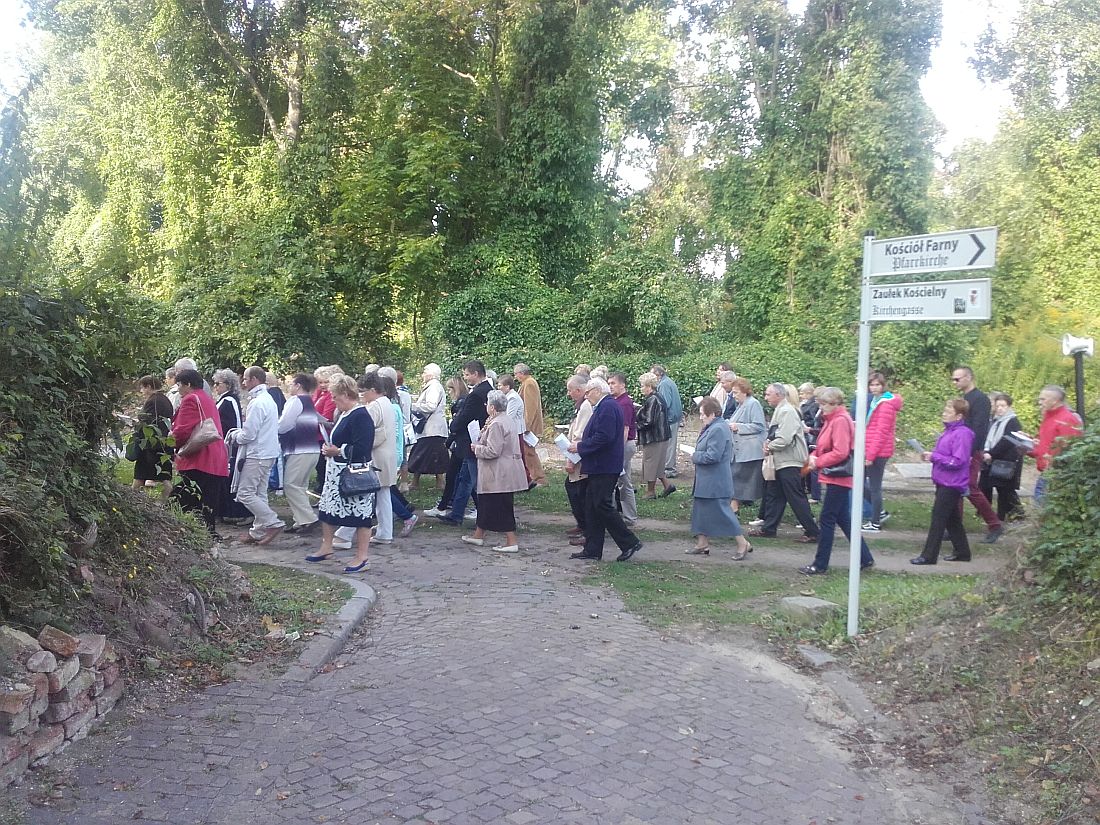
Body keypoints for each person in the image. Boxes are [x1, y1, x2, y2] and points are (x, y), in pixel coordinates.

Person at [798, 388, 874, 575]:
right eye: (820, 404)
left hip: (839, 476)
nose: (821, 408)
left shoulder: (839, 420)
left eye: (824, 404)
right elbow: (824, 444)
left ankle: (820, 564)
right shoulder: (833, 419)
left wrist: (818, 462)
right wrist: (814, 455)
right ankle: (865, 557)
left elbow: (840, 451)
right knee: (843, 519)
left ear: (835, 404)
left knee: (827, 519)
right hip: (835, 475)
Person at [568, 378, 643, 562]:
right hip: (599, 465)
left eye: (588, 392)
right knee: (592, 507)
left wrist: (581, 447)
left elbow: (604, 437)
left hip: (604, 465)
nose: (586, 396)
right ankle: (592, 549)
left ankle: (629, 542)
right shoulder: (605, 405)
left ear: (597, 390)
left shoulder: (608, 407)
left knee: (602, 505)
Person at [307, 374, 375, 574]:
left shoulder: (361, 415)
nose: (333, 400)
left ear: (346, 394)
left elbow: (363, 447)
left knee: (361, 515)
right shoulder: (345, 413)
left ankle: (362, 557)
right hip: (336, 472)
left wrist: (338, 451)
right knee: (327, 509)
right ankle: (326, 546)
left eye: (335, 397)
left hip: (354, 474)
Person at [749, 383, 819, 542]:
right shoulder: (781, 410)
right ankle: (769, 529)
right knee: (775, 495)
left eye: (768, 394)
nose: (766, 397)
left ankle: (813, 532)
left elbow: (785, 438)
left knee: (795, 496)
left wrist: (769, 446)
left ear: (779, 395)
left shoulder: (787, 411)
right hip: (782, 460)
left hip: (790, 461)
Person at [225, 366, 285, 544]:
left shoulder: (258, 402)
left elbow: (249, 435)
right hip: (268, 452)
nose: (243, 382)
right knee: (259, 493)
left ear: (254, 380)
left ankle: (273, 522)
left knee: (245, 493)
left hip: (257, 453)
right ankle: (257, 531)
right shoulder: (268, 399)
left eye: (245, 379)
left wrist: (234, 435)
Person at [462, 390, 528, 553]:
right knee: (486, 504)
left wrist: (477, 448)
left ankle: (511, 541)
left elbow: (493, 451)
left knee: (501, 506)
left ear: (492, 407)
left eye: (487, 404)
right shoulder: (505, 419)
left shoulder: (497, 424)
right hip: (499, 471)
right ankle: (478, 535)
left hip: (499, 473)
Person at [688, 397, 753, 559]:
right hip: (707, 479)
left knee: (724, 513)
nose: (700, 417)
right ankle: (702, 543)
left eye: (703, 414)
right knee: (700, 511)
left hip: (715, 480)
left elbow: (713, 456)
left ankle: (742, 543)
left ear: (712, 414)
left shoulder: (718, 429)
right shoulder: (714, 426)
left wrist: (695, 456)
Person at [912, 399, 974, 565]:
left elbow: (958, 461)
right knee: (952, 519)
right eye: (945, 410)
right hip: (943, 480)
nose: (944, 413)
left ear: (959, 416)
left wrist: (935, 457)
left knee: (938, 518)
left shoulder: (963, 434)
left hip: (952, 483)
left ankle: (929, 555)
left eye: (948, 411)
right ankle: (963, 552)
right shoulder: (949, 431)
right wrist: (931, 456)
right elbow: (946, 454)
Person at [170, 369, 228, 536]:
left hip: (200, 457)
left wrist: (170, 444)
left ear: (188, 384)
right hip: (216, 456)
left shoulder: (190, 399)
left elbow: (183, 430)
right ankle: (209, 534)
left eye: (179, 385)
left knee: (181, 498)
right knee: (208, 500)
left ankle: (179, 533)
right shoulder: (207, 398)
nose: (178, 389)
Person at [435, 360, 491, 526]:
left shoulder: (476, 394)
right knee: (465, 479)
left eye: (467, 374)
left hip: (471, 440)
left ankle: (485, 516)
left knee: (473, 481)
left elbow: (466, 416)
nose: (465, 378)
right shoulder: (487, 389)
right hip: (475, 439)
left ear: (475, 374)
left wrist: (453, 425)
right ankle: (457, 514)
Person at [951, 366, 1003, 543]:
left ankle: (994, 524)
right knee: (956, 488)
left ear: (968, 377)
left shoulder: (980, 400)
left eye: (957, 379)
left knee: (970, 488)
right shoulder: (965, 398)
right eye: (953, 379)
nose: (954, 382)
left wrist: (971, 452)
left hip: (971, 451)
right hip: (961, 449)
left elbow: (979, 429)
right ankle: (955, 527)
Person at [1023, 384, 1083, 505]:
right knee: (1040, 506)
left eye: (1043, 399)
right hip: (1047, 471)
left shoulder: (1067, 419)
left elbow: (1070, 450)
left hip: (1057, 474)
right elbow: (1043, 444)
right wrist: (1026, 443)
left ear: (1055, 401)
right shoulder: (1048, 416)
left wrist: (1054, 465)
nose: (1039, 402)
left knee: (1043, 506)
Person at [278, 373, 323, 535]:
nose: (290, 387)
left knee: (291, 484)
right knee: (300, 486)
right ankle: (300, 520)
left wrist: (272, 430)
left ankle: (309, 519)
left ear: (298, 385)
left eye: (291, 384)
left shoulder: (295, 401)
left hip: (300, 449)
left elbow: (284, 425)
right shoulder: (309, 401)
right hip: (312, 449)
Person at [423, 376, 469, 519]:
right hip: (460, 443)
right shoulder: (464, 401)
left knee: (457, 476)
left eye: (450, 389)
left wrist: (449, 441)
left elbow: (457, 425)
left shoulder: (461, 403)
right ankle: (446, 505)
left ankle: (445, 506)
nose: (448, 392)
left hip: (460, 444)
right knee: (458, 476)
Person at [862, 372, 903, 532]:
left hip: (878, 451)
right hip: (872, 448)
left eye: (877, 385)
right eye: (871, 385)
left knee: (874, 486)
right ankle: (879, 513)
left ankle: (875, 522)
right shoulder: (876, 400)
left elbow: (881, 432)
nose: (874, 388)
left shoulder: (885, 404)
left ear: (883, 385)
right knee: (858, 481)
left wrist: (871, 455)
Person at [212, 369, 252, 523]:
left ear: (228, 385)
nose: (215, 387)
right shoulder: (225, 400)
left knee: (229, 479)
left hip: (228, 446)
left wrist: (229, 443)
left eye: (218, 384)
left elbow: (235, 424)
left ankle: (234, 512)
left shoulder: (229, 400)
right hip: (224, 445)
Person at [978, 392, 1025, 521]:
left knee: (1005, 490)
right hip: (996, 459)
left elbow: (1007, 441)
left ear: (1009, 407)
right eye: (998, 406)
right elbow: (991, 437)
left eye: (1003, 406)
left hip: (1006, 460)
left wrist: (991, 453)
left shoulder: (1012, 421)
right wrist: (987, 450)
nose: (1000, 409)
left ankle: (1013, 514)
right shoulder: (996, 421)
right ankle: (998, 515)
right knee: (997, 488)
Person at [130, 375, 174, 499]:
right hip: (163, 443)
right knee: (164, 476)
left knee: (140, 475)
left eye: (142, 388)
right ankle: (163, 502)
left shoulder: (153, 401)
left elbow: (145, 421)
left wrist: (135, 423)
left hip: (151, 445)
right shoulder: (165, 399)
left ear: (149, 386)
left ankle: (133, 499)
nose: (141, 391)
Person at [407, 363, 449, 490]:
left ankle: (417, 483)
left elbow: (431, 406)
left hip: (432, 428)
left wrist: (413, 406)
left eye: (424, 372)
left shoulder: (434, 387)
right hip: (432, 429)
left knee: (421, 454)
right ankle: (438, 482)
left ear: (431, 374)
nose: (422, 375)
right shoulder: (433, 386)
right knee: (433, 455)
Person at [727, 378, 766, 514]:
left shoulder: (753, 404)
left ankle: (734, 507)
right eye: (733, 392)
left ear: (744, 391)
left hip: (749, 450)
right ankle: (734, 505)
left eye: (736, 392)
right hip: (740, 450)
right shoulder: (741, 405)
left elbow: (759, 425)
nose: (734, 395)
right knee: (736, 476)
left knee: (737, 476)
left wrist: (738, 427)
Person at [563, 374, 593, 545]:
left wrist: (571, 460)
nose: (569, 394)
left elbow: (580, 434)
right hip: (577, 454)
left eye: (570, 390)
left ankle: (587, 529)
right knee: (574, 489)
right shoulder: (581, 405)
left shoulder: (586, 406)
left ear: (580, 390)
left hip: (579, 456)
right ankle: (582, 525)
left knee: (579, 492)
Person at [636, 372, 675, 500]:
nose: (641, 388)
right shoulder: (658, 397)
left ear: (649, 386)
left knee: (650, 464)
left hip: (654, 437)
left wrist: (635, 426)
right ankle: (667, 485)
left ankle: (650, 491)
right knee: (658, 464)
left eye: (642, 386)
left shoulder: (652, 399)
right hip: (662, 435)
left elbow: (649, 421)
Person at [608, 372, 638, 526]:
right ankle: (625, 516)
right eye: (609, 383)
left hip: (624, 445)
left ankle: (626, 517)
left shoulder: (624, 403)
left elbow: (625, 429)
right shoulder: (618, 401)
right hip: (624, 445)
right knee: (623, 481)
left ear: (622, 385)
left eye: (613, 383)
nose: (610, 386)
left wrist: (617, 451)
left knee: (619, 480)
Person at [514, 363, 546, 487]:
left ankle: (539, 478)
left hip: (529, 425)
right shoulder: (527, 383)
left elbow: (530, 406)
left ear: (521, 373)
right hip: (527, 424)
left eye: (516, 374)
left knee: (529, 452)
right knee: (527, 452)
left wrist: (527, 425)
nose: (515, 377)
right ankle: (534, 476)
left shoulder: (529, 383)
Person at [652, 364, 683, 477]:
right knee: (670, 444)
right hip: (673, 417)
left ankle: (670, 470)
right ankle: (668, 468)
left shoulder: (664, 384)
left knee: (669, 445)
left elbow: (664, 404)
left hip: (670, 419)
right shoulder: (667, 381)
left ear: (658, 374)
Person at [797, 382, 820, 503]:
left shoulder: (811, 405)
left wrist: (807, 427)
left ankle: (813, 492)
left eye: (802, 393)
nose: (800, 395)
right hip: (808, 435)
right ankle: (810, 489)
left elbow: (812, 420)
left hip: (809, 435)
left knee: (810, 465)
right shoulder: (807, 404)